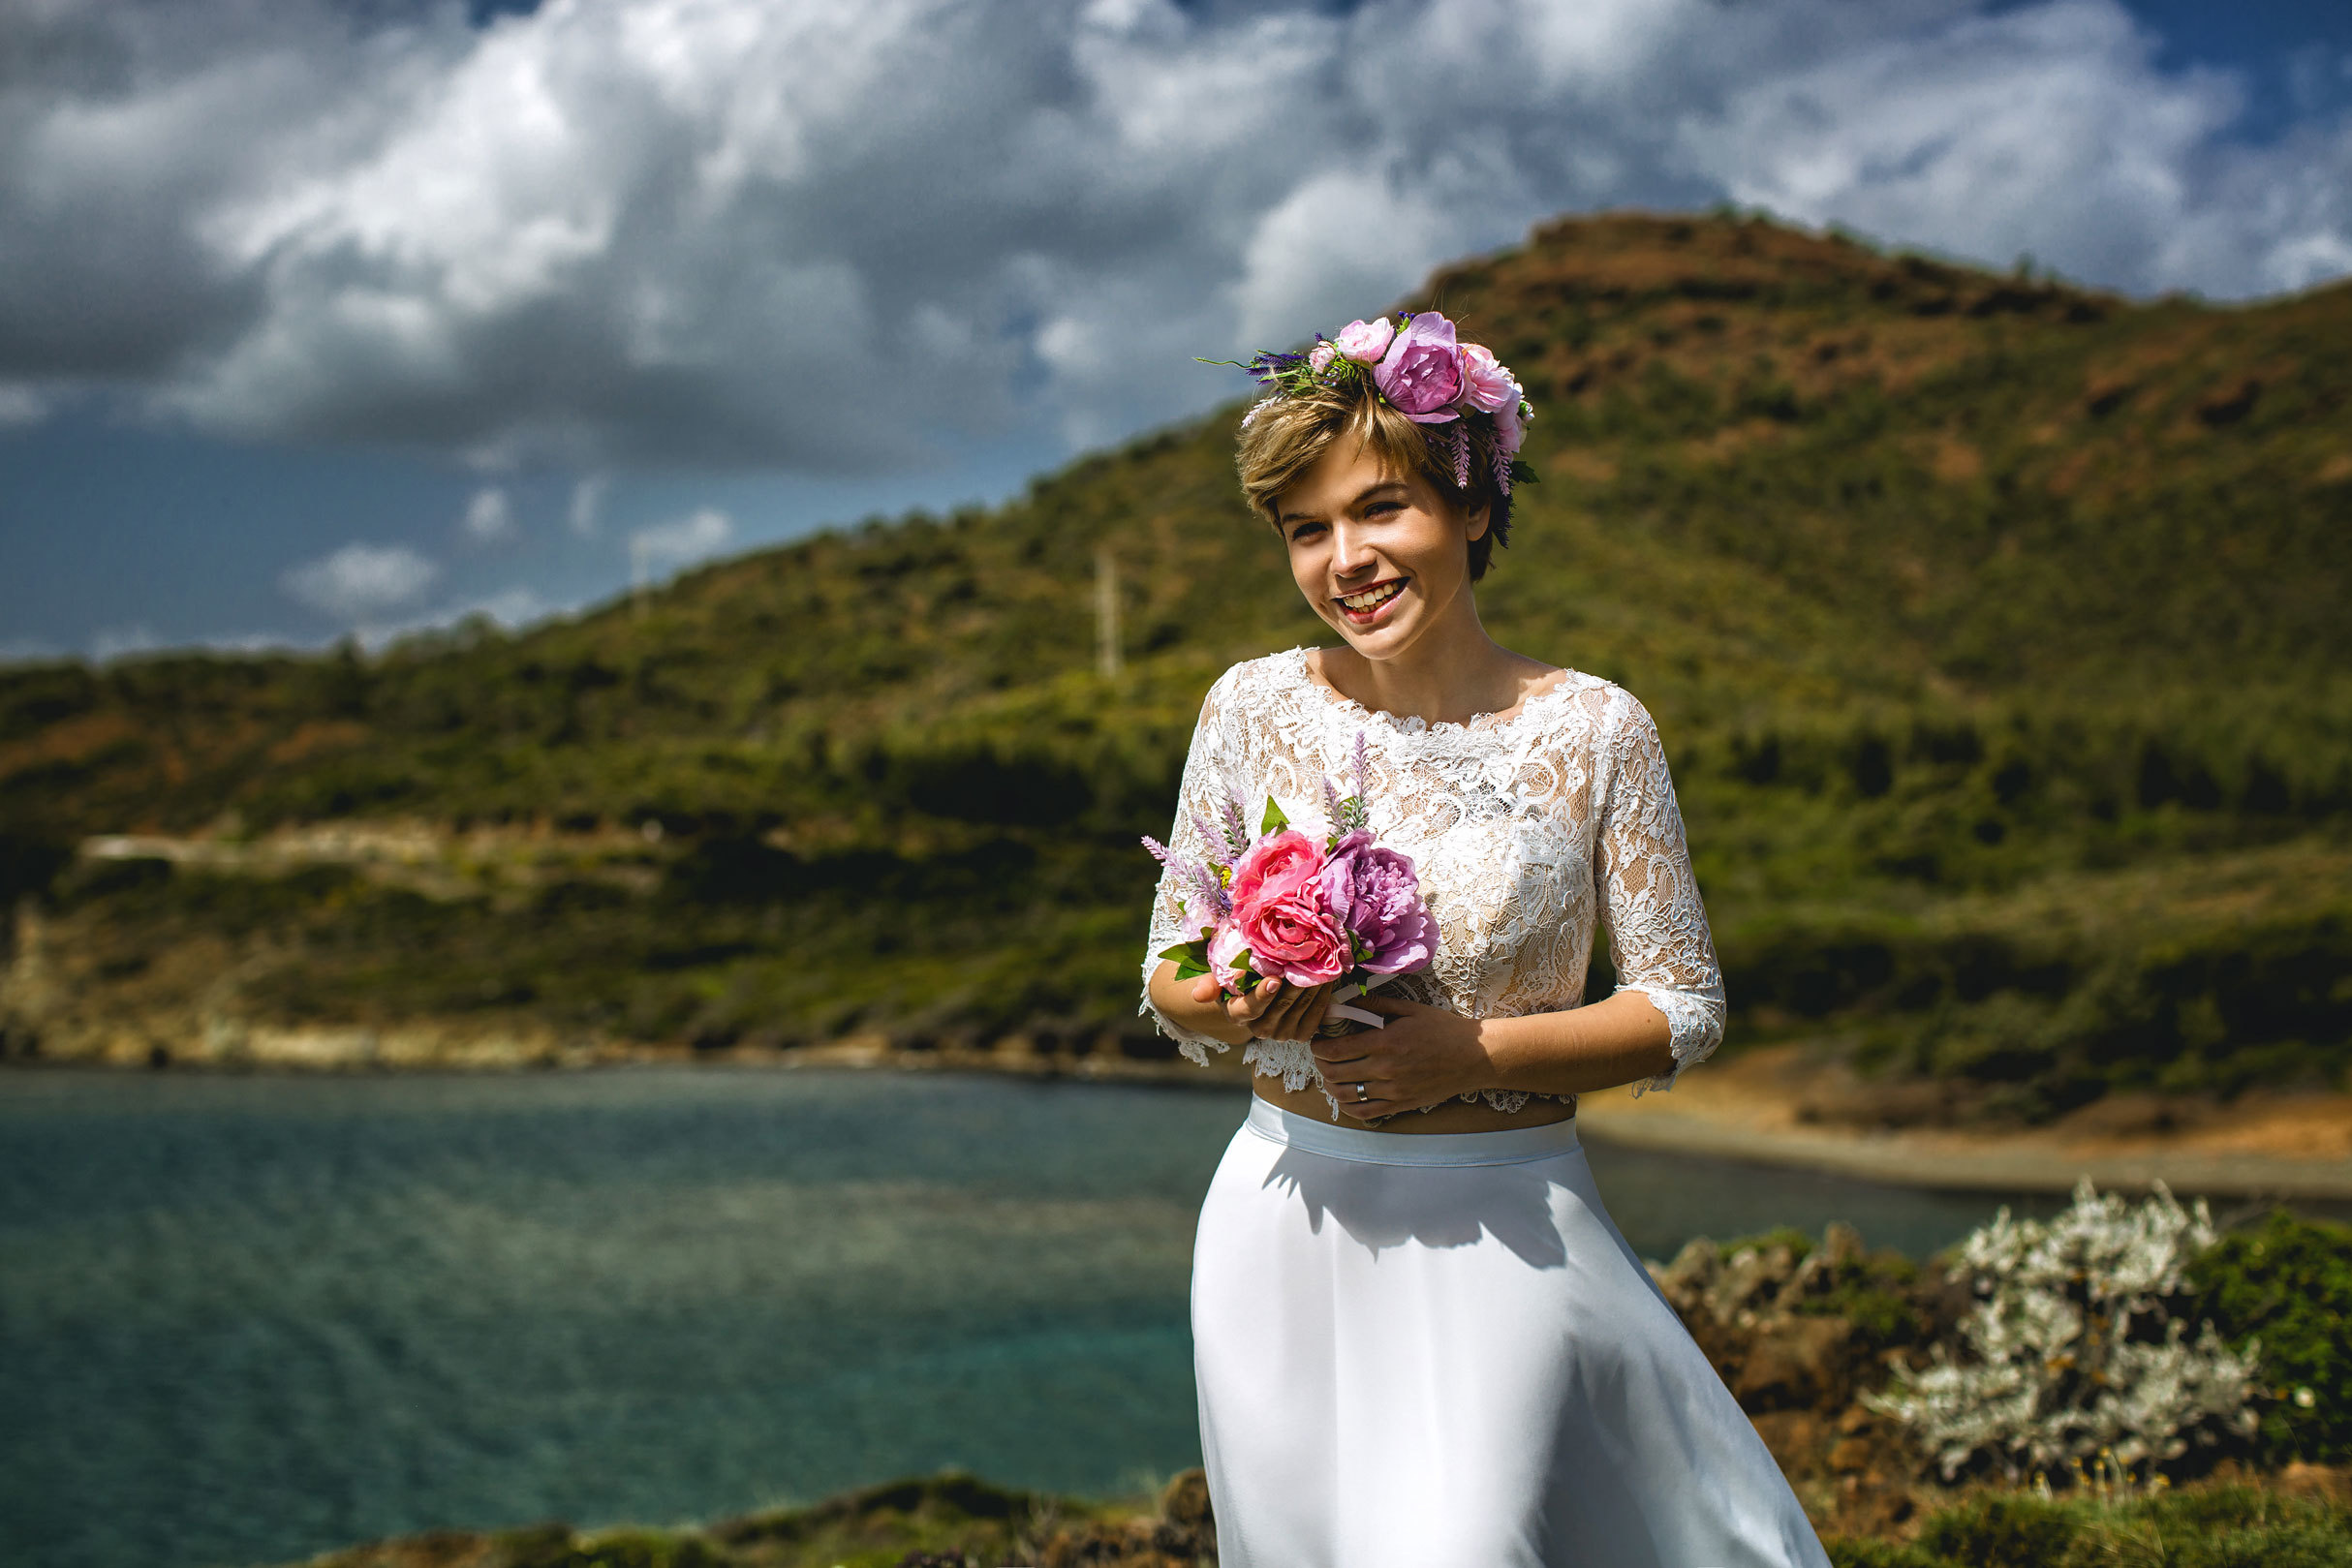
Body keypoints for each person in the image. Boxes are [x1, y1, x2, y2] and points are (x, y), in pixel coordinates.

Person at [1140, 311, 1833, 1567]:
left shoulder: (1599, 730)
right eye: (1308, 529)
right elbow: (1168, 970)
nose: (1345, 558)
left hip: (1505, 1226)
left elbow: (1682, 1006)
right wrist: (1249, 991)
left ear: (1470, 503)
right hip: (1280, 1229)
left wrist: (1471, 1052)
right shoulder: (1248, 706)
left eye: (1381, 510)